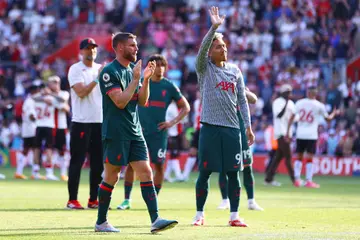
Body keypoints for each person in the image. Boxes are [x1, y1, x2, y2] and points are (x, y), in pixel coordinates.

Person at [95, 32, 178, 233]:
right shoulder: (109, 72)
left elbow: (142, 101)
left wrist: (146, 80)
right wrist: (135, 79)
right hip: (116, 132)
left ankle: (155, 219)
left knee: (146, 171)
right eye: (132, 45)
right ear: (120, 48)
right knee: (112, 176)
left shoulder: (134, 69)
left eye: (136, 44)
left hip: (134, 130)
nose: (136, 49)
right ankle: (101, 222)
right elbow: (121, 101)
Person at [192, 7, 255, 227]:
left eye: (225, 46)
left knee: (233, 174)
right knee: (205, 173)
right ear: (211, 51)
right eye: (219, 46)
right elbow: (201, 50)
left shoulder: (235, 71)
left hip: (231, 130)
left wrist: (247, 126)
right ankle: (199, 214)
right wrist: (214, 28)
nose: (224, 49)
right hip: (209, 127)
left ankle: (234, 216)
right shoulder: (204, 68)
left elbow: (243, 100)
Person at [117, 54, 190, 210]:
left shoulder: (169, 86)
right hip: (138, 131)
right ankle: (126, 200)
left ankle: (154, 199)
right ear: (151, 67)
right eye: (157, 65)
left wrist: (171, 122)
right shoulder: (140, 83)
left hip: (159, 133)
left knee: (159, 166)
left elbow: (186, 107)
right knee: (131, 165)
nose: (160, 68)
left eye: (163, 65)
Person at [66, 38, 104, 209]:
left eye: (93, 48)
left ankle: (93, 199)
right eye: (88, 48)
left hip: (99, 121)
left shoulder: (100, 69)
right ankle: (72, 199)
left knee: (98, 163)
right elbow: (81, 92)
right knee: (77, 161)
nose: (91, 51)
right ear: (81, 51)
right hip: (81, 122)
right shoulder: (75, 69)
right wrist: (98, 78)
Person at [218, 88, 263, 211]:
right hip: (226, 131)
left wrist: (240, 90)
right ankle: (225, 200)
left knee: (247, 166)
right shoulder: (220, 88)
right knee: (224, 167)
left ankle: (251, 201)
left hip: (242, 133)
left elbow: (254, 99)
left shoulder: (240, 87)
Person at [289, 86, 338, 188]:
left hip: (300, 134)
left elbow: (292, 117)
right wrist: (334, 113)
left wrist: (287, 131)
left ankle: (297, 180)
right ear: (315, 94)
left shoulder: (299, 103)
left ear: (308, 93)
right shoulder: (319, 105)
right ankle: (308, 181)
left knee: (299, 157)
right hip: (311, 135)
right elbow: (328, 119)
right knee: (310, 158)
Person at [264, 84, 295, 186]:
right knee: (288, 157)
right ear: (283, 93)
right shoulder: (277, 102)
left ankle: (268, 178)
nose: (289, 94)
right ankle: (295, 179)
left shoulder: (291, 103)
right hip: (280, 132)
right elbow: (278, 115)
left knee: (278, 157)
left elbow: (295, 117)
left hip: (287, 133)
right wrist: (286, 105)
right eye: (288, 92)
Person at [33, 82, 59, 180]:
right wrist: (48, 96)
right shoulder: (51, 98)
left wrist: (44, 96)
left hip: (39, 125)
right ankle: (48, 172)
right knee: (48, 149)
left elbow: (34, 98)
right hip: (48, 125)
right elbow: (58, 101)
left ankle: (36, 171)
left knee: (37, 148)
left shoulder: (36, 97)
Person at [47, 75, 70, 181]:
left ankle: (63, 173)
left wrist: (54, 99)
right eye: (52, 82)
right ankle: (49, 173)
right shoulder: (47, 96)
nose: (55, 84)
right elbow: (62, 106)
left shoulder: (64, 93)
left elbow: (63, 104)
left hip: (61, 126)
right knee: (50, 149)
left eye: (56, 82)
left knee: (62, 150)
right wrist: (62, 106)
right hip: (50, 125)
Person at [14, 83, 39, 179]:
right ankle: (34, 173)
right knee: (34, 149)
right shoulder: (30, 101)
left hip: (28, 129)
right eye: (38, 91)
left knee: (28, 150)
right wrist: (39, 120)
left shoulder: (28, 101)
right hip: (31, 129)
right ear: (34, 91)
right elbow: (31, 116)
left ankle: (20, 172)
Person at [163, 101, 186, 182]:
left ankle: (166, 175)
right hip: (172, 134)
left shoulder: (172, 107)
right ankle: (178, 175)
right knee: (174, 155)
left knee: (173, 155)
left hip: (174, 134)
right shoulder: (172, 108)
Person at [182, 91, 201, 181]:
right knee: (192, 151)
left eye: (200, 93)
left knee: (203, 154)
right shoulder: (196, 103)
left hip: (205, 130)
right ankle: (185, 175)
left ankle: (202, 177)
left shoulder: (208, 103)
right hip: (197, 130)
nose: (198, 94)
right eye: (198, 93)